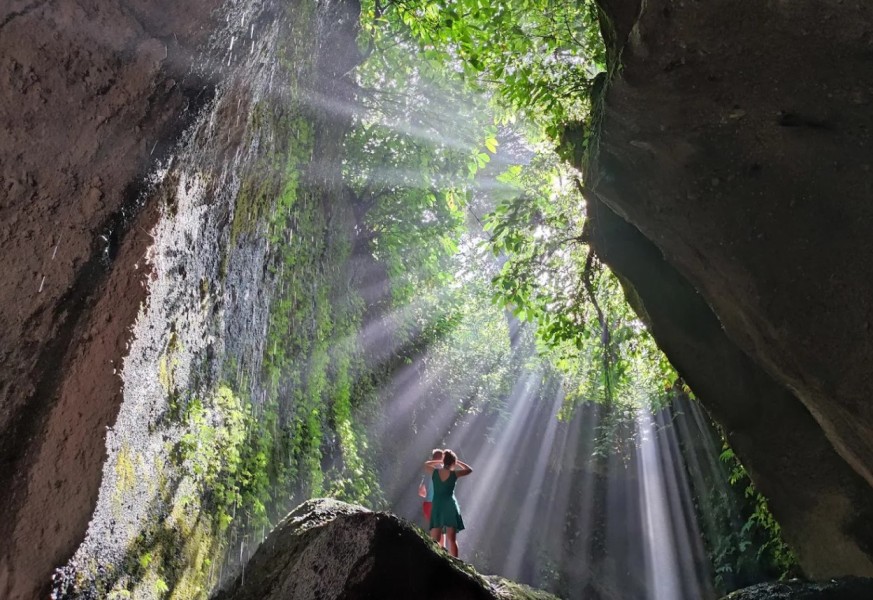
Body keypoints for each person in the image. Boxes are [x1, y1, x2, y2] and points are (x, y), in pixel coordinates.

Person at [423, 448, 472, 558]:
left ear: (443, 461)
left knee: (434, 539)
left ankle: (432, 559)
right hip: (450, 506)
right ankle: (456, 562)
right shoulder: (454, 474)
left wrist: (439, 461)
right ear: (453, 462)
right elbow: (469, 470)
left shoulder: (435, 472)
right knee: (452, 539)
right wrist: (457, 462)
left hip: (438, 506)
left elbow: (426, 464)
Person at [420, 448, 443, 525]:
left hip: (428, 504)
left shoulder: (427, 471)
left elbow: (421, 492)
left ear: (433, 458)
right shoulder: (445, 471)